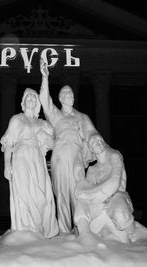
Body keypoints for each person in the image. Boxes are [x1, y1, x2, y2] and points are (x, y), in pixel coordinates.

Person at [40, 59, 98, 233]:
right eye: (66, 95)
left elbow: (93, 134)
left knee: (78, 191)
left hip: (77, 157)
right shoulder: (56, 115)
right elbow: (44, 99)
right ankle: (65, 231)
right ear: (60, 98)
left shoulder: (82, 117)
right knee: (63, 193)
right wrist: (45, 77)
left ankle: (81, 228)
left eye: (71, 94)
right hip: (60, 156)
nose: (69, 97)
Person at [0, 88, 58, 238]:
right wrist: (7, 164)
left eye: (34, 98)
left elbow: (53, 143)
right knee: (24, 191)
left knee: (42, 194)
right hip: (21, 155)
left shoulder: (43, 123)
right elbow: (9, 142)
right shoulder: (17, 119)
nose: (31, 100)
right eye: (28, 98)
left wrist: (46, 137)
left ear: (37, 103)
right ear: (23, 102)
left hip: (38, 157)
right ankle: (27, 229)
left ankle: (40, 228)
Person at [74, 134, 135, 243]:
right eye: (94, 143)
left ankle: (130, 233)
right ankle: (85, 235)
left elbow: (114, 182)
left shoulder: (114, 157)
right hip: (98, 199)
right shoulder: (92, 169)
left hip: (117, 195)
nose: (99, 143)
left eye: (100, 141)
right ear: (91, 149)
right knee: (81, 202)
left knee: (120, 215)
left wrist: (98, 197)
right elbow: (87, 189)